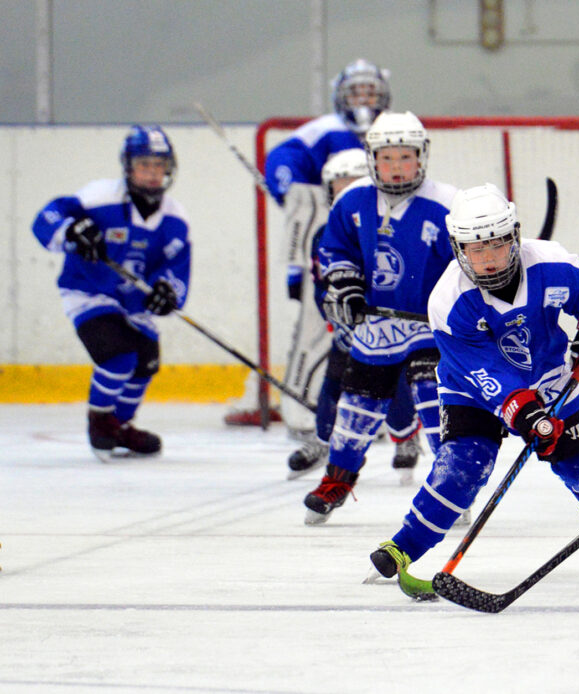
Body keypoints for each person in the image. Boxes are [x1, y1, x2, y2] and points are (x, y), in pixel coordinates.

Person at [367, 183, 579, 585]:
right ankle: (404, 545)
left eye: (497, 245)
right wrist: (524, 413)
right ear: (459, 248)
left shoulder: (552, 262)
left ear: (515, 237)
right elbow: (482, 370)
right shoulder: (448, 301)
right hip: (470, 392)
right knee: (462, 469)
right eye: (476, 249)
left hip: (548, 378)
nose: (488, 259)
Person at [302, 110, 457, 524]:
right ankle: (337, 481)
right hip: (377, 328)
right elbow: (336, 250)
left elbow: (470, 264)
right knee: (356, 409)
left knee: (435, 403)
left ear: (421, 158)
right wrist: (348, 286)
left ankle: (452, 486)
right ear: (372, 159)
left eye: (405, 158)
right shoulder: (352, 199)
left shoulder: (447, 204)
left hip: (431, 328)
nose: (395, 167)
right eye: (387, 159)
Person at [224, 58, 391, 438]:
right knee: (317, 331)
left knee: (378, 333)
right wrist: (291, 193)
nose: (364, 99)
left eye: (370, 91)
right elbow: (284, 161)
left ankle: (371, 412)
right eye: (356, 92)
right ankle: (302, 408)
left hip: (376, 248)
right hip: (327, 248)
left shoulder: (393, 130)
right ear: (340, 96)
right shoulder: (326, 130)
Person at [31, 125, 190, 462]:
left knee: (146, 362)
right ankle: (100, 422)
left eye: (158, 165)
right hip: (87, 290)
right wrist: (72, 229)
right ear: (129, 167)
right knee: (118, 356)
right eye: (144, 165)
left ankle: (120, 426)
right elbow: (46, 218)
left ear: (168, 168)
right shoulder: (99, 197)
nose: (151, 173)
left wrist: (167, 291)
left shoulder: (176, 219)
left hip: (133, 302)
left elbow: (176, 269)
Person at [286, 148, 422, 482]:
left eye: (354, 183)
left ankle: (406, 437)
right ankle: (323, 442)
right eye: (339, 185)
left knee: (396, 392)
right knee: (332, 386)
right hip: (350, 332)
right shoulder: (325, 235)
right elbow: (323, 284)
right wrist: (338, 312)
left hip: (393, 332)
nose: (346, 192)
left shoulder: (392, 228)